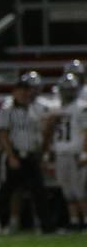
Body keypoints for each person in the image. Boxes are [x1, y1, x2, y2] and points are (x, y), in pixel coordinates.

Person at [0, 72, 52, 234]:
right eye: (21, 90)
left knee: (39, 191)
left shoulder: (34, 108)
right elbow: (2, 134)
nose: (24, 93)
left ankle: (47, 226)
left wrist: (41, 152)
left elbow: (38, 133)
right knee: (3, 191)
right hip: (14, 154)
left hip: (30, 155)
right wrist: (10, 156)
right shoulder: (7, 108)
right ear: (15, 91)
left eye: (27, 90)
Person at [43, 73, 87, 230]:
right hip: (61, 153)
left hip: (75, 153)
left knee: (79, 190)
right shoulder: (56, 109)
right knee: (67, 190)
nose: (67, 93)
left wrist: (84, 153)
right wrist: (48, 151)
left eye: (70, 90)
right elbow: (48, 133)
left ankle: (85, 220)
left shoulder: (81, 108)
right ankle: (74, 221)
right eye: (65, 90)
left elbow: (85, 132)